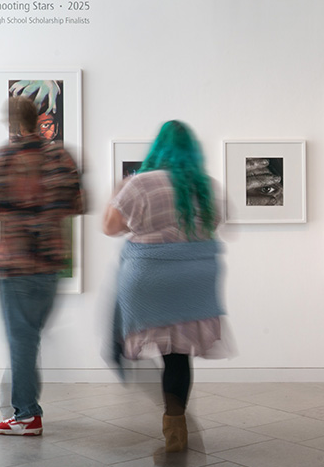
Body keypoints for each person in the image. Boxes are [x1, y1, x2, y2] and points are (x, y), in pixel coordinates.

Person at [102, 120, 225, 453]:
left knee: (120, 337)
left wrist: (116, 194)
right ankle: (176, 429)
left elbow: (110, 227)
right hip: (194, 282)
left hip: (148, 279)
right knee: (177, 356)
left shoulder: (141, 184)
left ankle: (118, 350)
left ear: (158, 148)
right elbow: (215, 225)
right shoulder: (208, 186)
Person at [0, 95, 84, 436]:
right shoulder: (61, 156)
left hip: (16, 265)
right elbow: (79, 204)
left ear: (11, 122)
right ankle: (24, 407)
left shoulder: (3, 159)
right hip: (52, 264)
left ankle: (26, 414)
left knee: (21, 340)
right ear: (37, 118)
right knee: (29, 337)